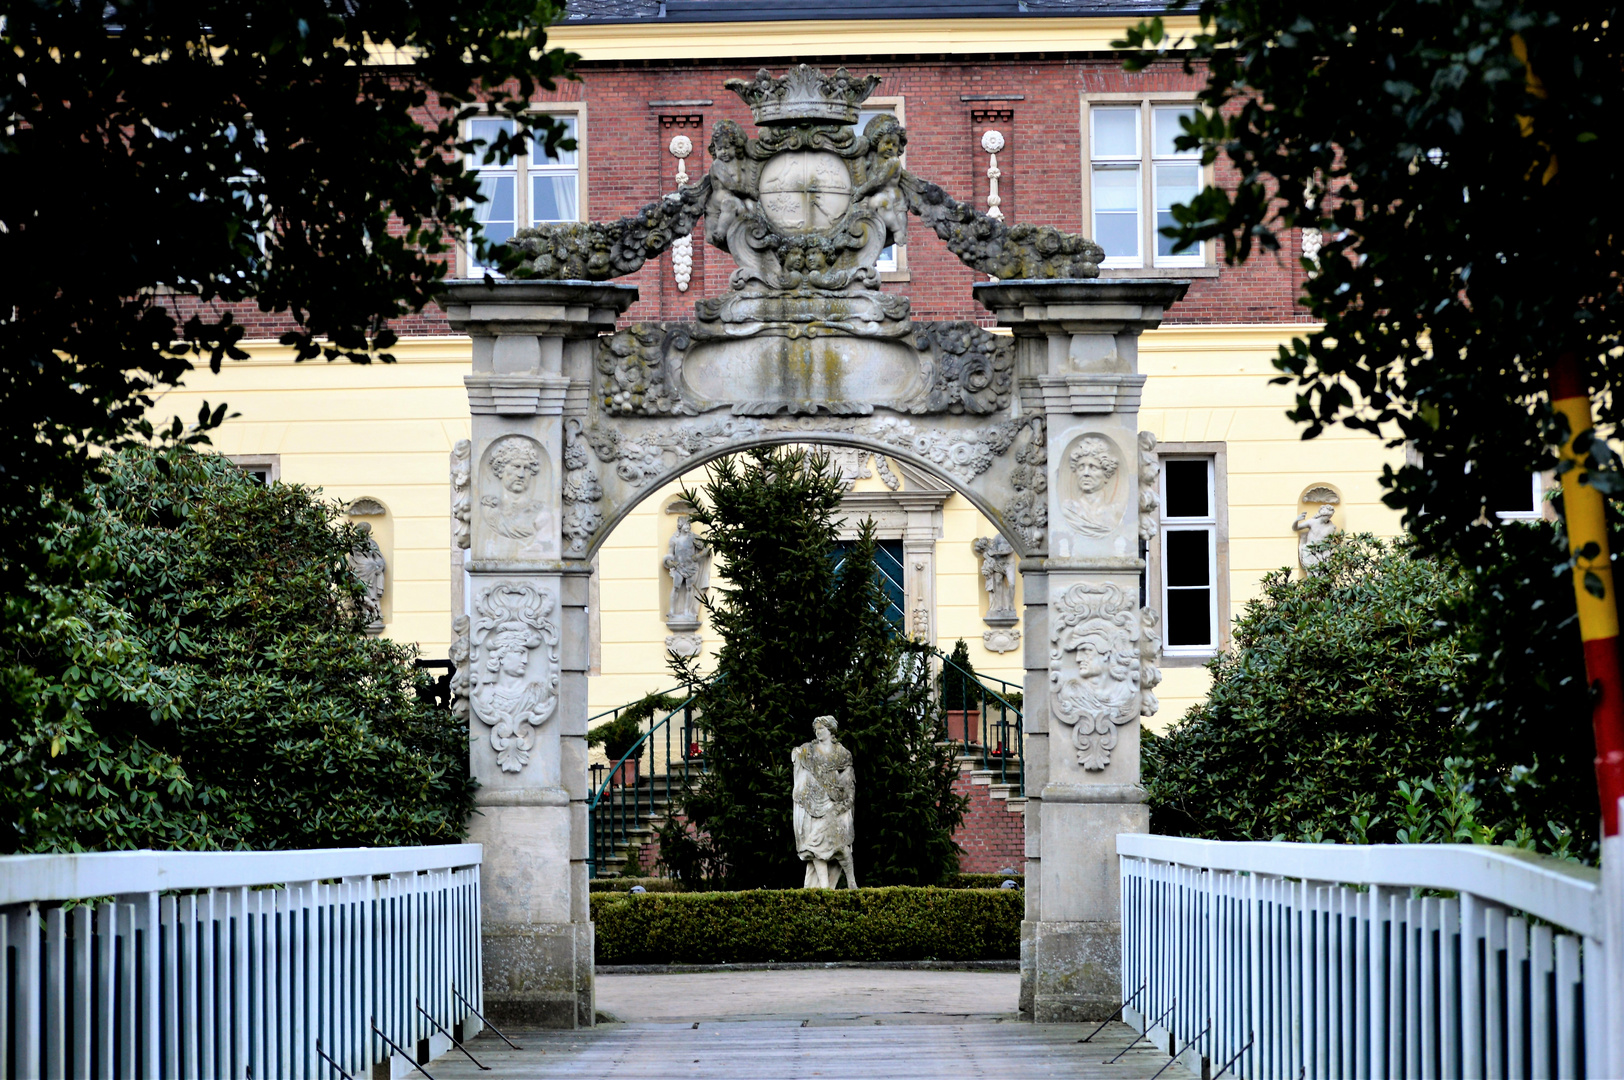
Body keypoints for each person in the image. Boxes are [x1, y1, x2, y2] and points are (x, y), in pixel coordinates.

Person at [791, 715, 857, 889]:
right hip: (815, 805)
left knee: (842, 847)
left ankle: (851, 882)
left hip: (836, 806)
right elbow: (800, 761)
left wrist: (844, 803)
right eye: (817, 729)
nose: (819, 732)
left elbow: (848, 781)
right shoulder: (809, 751)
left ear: (831, 730)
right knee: (815, 847)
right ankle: (824, 887)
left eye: (822, 728)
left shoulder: (842, 754)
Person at [1293, 503, 1339, 569]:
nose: (1328, 518)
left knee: (1323, 572)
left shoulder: (1331, 527)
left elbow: (1329, 542)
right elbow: (1295, 528)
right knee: (1311, 571)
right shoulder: (1312, 522)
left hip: (1323, 551)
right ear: (1322, 515)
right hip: (1309, 550)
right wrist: (1297, 520)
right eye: (1327, 516)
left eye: (1329, 517)